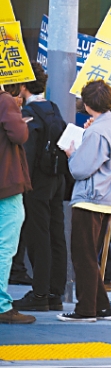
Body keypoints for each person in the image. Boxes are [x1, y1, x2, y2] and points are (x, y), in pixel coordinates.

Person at [59, 80, 111, 322]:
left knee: (83, 256)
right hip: (108, 198)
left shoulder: (97, 131)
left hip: (90, 198)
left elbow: (80, 168)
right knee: (90, 255)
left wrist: (72, 154)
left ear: (87, 104)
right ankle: (101, 307)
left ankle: (86, 309)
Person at [12, 63, 68, 313]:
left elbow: (27, 152)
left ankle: (40, 293)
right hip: (57, 179)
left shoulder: (30, 114)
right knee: (56, 234)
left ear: (23, 85)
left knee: (38, 235)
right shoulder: (53, 109)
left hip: (36, 181)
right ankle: (55, 292)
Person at [0, 82, 34, 324]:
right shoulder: (4, 101)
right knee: (5, 246)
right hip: (6, 183)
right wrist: (19, 116)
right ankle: (2, 305)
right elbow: (19, 135)